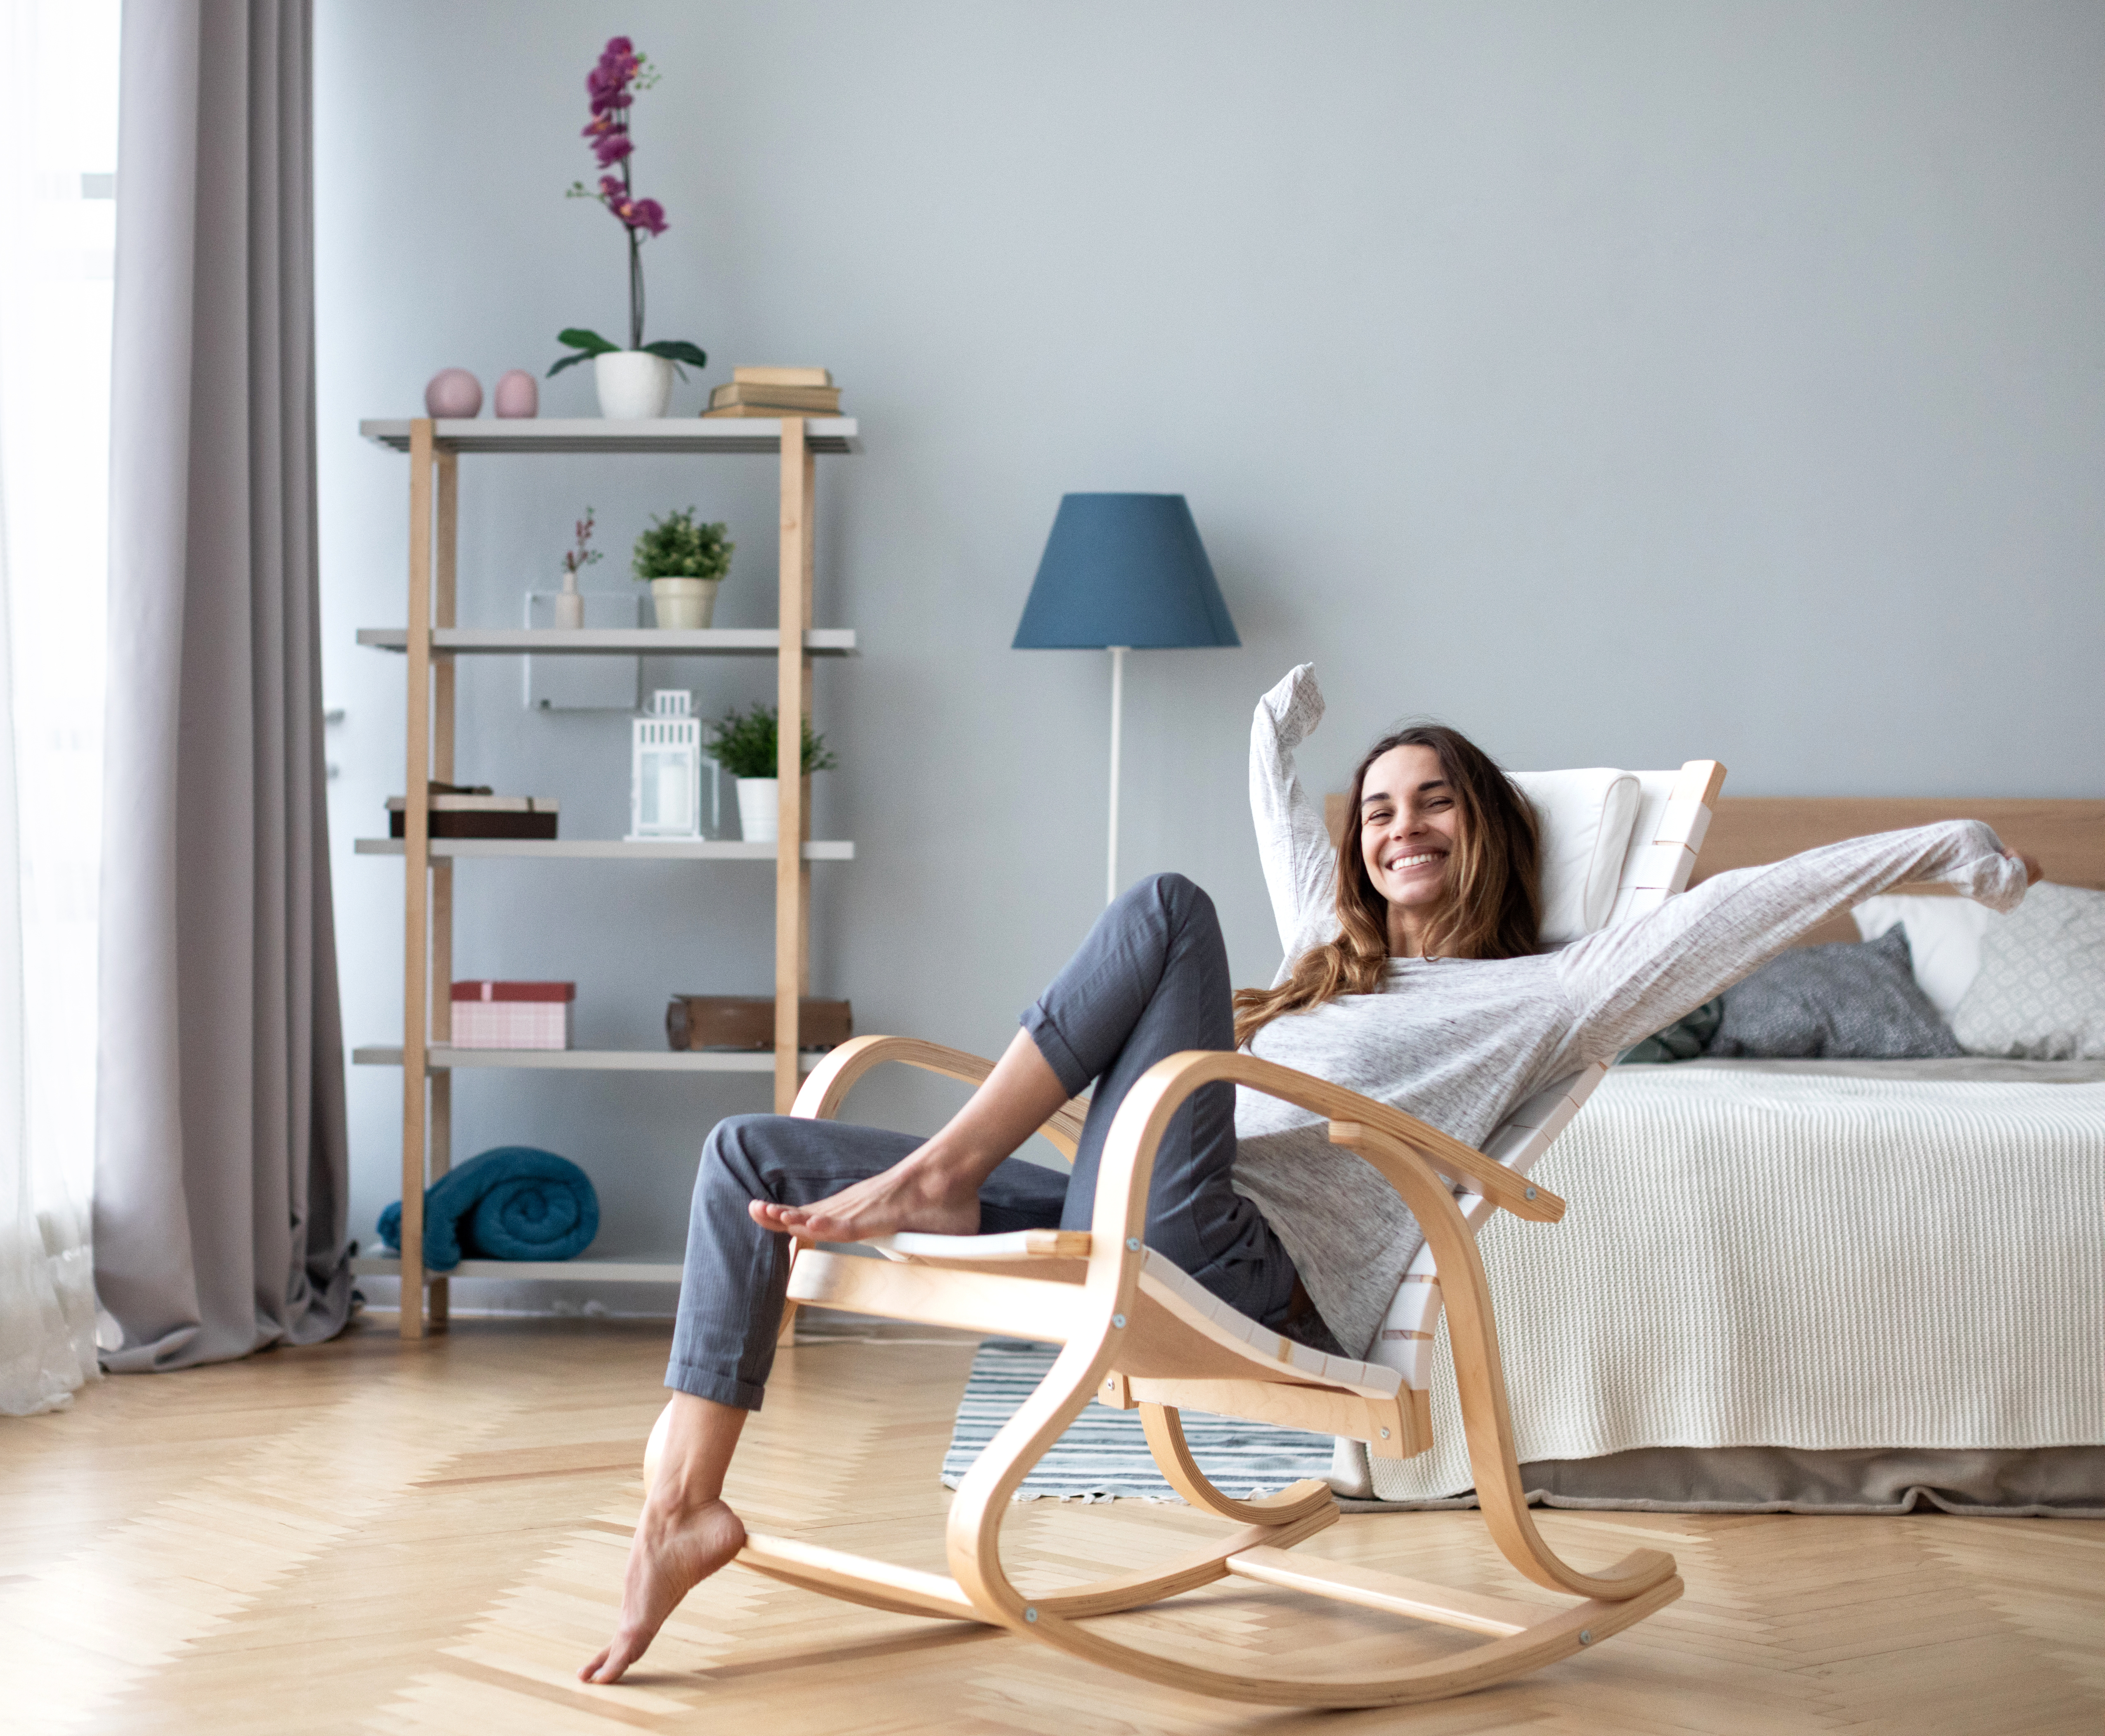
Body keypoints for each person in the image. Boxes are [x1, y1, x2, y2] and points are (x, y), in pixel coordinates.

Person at [581, 663, 2039, 1686]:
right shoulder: (1320, 977)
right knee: (744, 1150)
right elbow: (1295, 851)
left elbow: (1725, 913)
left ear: (1494, 834)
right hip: (1137, 1206)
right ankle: (680, 1512)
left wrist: (1934, 853)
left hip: (1244, 1264)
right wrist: (1275, 744)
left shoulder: (1553, 990)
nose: (1400, 826)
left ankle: (947, 1173)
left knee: (1161, 907)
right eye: (1379, 810)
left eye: (1436, 805)